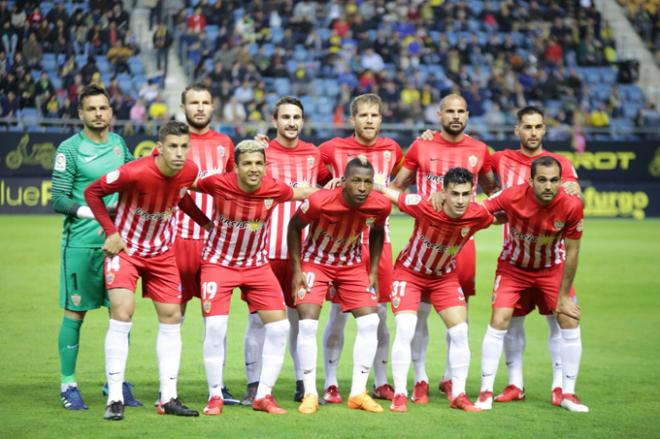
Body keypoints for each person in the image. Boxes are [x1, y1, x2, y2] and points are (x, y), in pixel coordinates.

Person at [85, 121, 209, 421]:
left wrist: (206, 223)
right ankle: (115, 398)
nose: (179, 153)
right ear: (160, 147)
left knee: (172, 317)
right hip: (126, 251)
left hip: (162, 253)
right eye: (173, 146)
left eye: (184, 146)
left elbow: (181, 195)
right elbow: (92, 193)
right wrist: (111, 232)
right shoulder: (134, 171)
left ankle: (169, 398)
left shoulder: (189, 172)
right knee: (122, 312)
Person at [192, 140, 316, 416]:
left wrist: (333, 190)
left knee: (280, 328)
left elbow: (303, 192)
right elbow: (180, 184)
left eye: (259, 163)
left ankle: (263, 395)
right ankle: (215, 396)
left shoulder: (275, 188)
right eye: (247, 163)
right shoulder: (217, 183)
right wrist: (202, 221)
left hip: (257, 265)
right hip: (218, 263)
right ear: (235, 167)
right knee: (215, 328)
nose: (253, 169)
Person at [393, 94, 499, 402]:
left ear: (468, 114)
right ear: (439, 115)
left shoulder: (480, 150)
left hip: (461, 244)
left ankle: (451, 378)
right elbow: (398, 187)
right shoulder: (420, 146)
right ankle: (420, 378)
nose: (455, 116)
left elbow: (494, 193)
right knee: (419, 315)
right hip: (425, 236)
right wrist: (425, 205)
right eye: (449, 111)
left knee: (457, 316)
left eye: (461, 111)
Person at [379, 167, 498, 413]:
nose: (461, 200)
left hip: (444, 277)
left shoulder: (477, 214)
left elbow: (502, 214)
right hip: (409, 273)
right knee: (406, 328)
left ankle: (459, 394)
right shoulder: (424, 205)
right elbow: (388, 192)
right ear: (444, 193)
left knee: (460, 332)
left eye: (466, 194)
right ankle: (400, 394)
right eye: (455, 194)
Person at [475, 156, 588, 413]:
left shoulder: (571, 205)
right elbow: (480, 209)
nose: (548, 186)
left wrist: (563, 296)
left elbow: (572, 252)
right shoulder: (512, 195)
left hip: (552, 269)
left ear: (561, 181)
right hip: (513, 267)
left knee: (568, 318)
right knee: (500, 319)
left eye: (554, 180)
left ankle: (567, 392)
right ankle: (487, 391)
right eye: (542, 180)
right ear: (530, 181)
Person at [51, 84, 140, 410]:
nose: (99, 114)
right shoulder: (69, 150)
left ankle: (114, 382)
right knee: (75, 313)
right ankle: (68, 384)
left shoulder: (118, 144)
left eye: (103, 108)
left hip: (117, 246)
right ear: (81, 114)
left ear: (111, 111)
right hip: (81, 245)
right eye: (92, 109)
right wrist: (99, 213)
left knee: (122, 313)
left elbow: (135, 175)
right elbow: (58, 199)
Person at [489, 106, 582, 407]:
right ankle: (515, 384)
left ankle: (560, 387)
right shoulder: (500, 158)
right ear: (517, 130)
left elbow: (575, 201)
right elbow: (469, 156)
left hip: (549, 257)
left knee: (559, 320)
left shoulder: (562, 165)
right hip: (514, 256)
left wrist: (573, 191)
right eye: (526, 127)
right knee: (512, 322)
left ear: (544, 130)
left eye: (538, 127)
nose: (532, 132)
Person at [317, 93, 403, 403]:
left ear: (381, 119)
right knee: (338, 314)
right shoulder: (332, 148)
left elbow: (402, 182)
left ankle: (379, 382)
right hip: (342, 243)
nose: (369, 121)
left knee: (379, 315)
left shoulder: (393, 149)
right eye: (363, 116)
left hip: (381, 240)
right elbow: (314, 178)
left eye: (375, 116)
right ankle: (330, 383)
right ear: (352, 120)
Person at [289, 158, 391, 414]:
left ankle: (358, 392)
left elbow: (378, 232)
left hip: (351, 264)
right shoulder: (320, 201)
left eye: (367, 182)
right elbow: (294, 226)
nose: (361, 187)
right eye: (356, 180)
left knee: (371, 322)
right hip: (316, 262)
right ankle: (310, 393)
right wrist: (297, 269)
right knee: (308, 323)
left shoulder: (380, 204)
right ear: (344, 181)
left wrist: (373, 269)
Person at [241, 97, 321, 406]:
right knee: (259, 321)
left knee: (301, 320)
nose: (291, 122)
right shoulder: (260, 152)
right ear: (275, 121)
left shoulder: (315, 155)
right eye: (285, 117)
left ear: (303, 121)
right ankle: (253, 384)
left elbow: (330, 187)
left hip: (302, 252)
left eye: (296, 117)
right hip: (264, 251)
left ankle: (303, 383)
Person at [175, 83, 238, 404]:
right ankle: (168, 388)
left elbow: (234, 186)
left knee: (217, 320)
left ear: (213, 107)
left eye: (205, 102)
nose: (199, 108)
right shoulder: (174, 142)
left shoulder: (225, 143)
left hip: (217, 246)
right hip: (177, 242)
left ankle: (219, 385)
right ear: (183, 106)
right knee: (173, 317)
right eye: (193, 102)